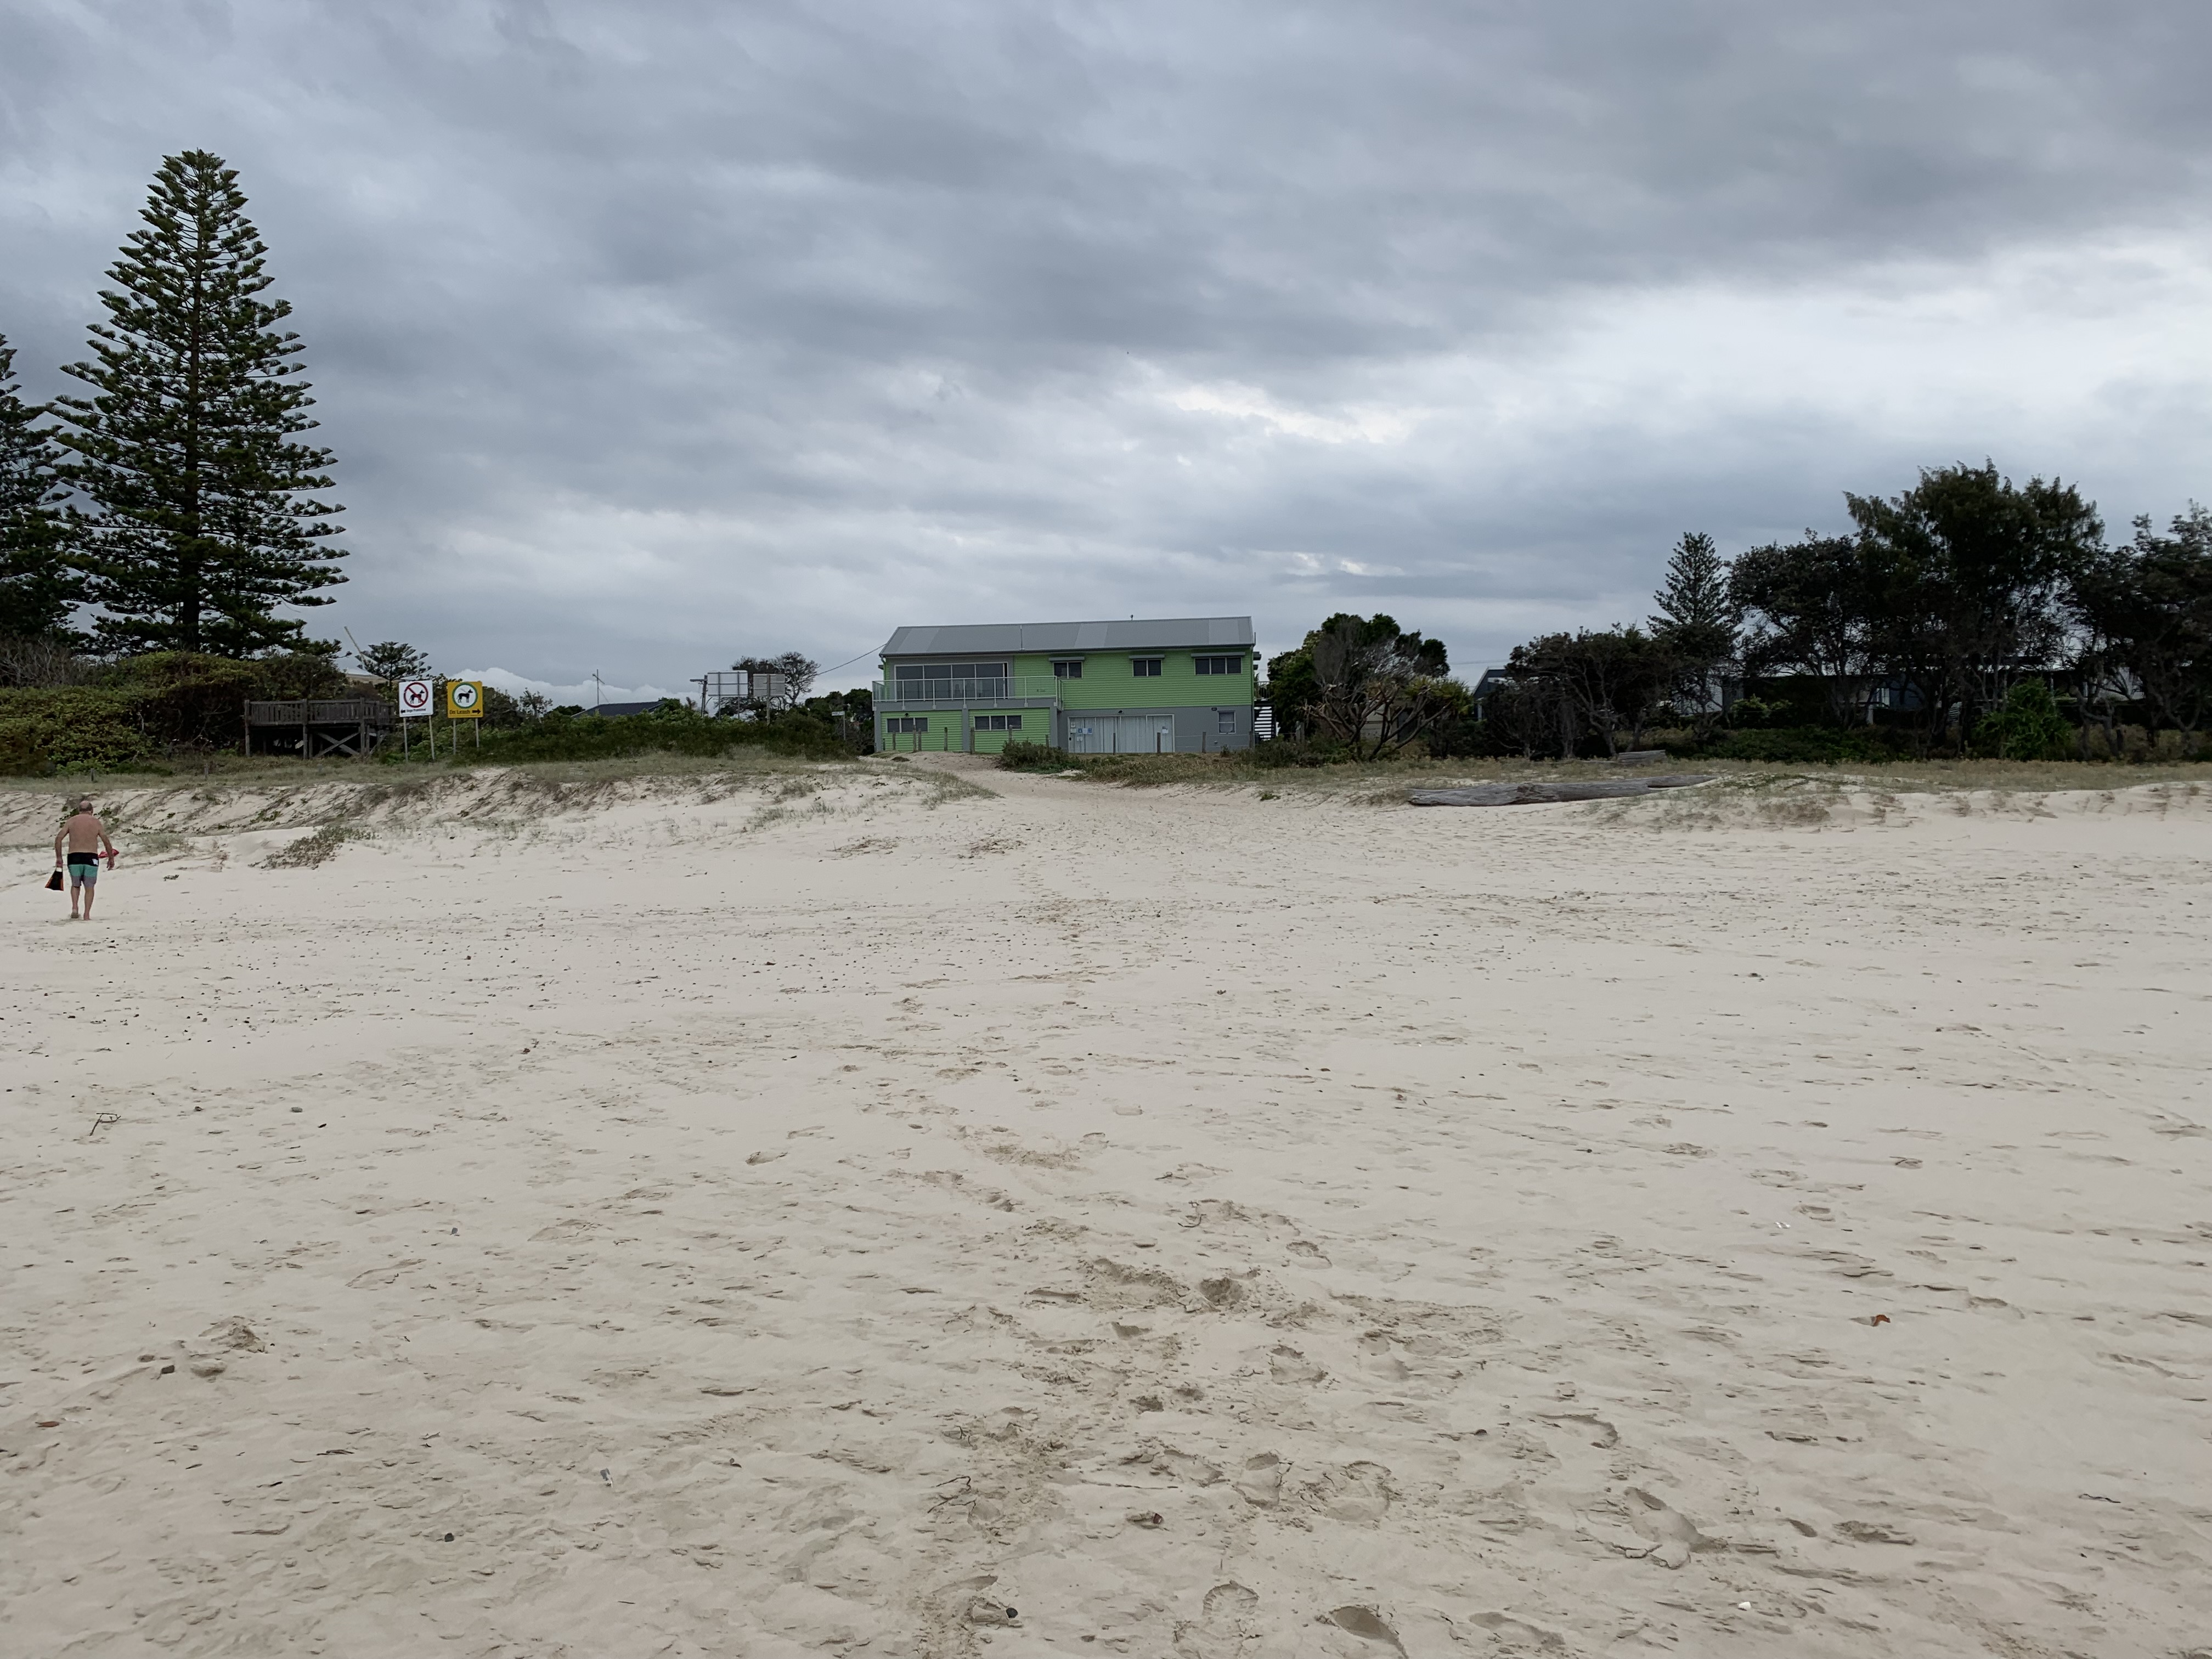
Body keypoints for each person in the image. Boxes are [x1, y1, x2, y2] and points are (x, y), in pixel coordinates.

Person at [53, 797, 117, 921]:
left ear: (79, 810)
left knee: (75, 885)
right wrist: (111, 858)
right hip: (91, 857)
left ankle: (75, 908)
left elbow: (58, 839)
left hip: (74, 857)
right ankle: (87, 914)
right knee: (89, 887)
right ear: (91, 810)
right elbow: (106, 841)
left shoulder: (71, 821)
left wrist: (59, 857)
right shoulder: (95, 822)